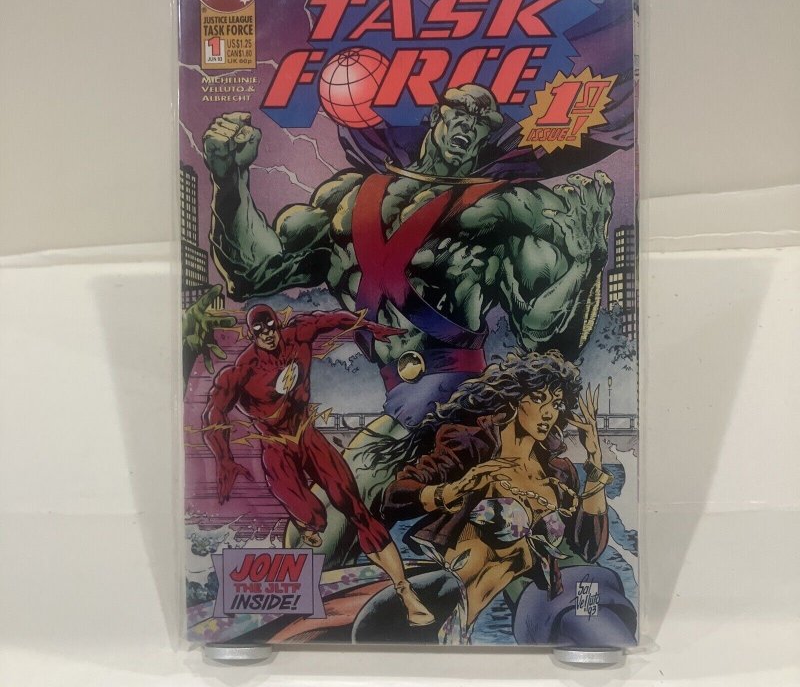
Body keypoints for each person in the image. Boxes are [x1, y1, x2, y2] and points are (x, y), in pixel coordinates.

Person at [200, 85, 613, 564]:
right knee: (311, 540)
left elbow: (548, 338)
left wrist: (585, 266)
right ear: (436, 115)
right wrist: (230, 183)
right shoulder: (347, 199)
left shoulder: (504, 210)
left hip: (461, 402)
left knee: (328, 538)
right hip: (402, 402)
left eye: (482, 122)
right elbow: (256, 273)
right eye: (460, 112)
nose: (468, 125)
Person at [351, 351, 634, 645]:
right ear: (515, 400)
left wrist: (594, 462)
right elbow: (394, 497)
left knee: (600, 627)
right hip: (446, 603)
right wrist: (456, 489)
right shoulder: (474, 446)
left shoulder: (559, 474)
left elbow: (588, 548)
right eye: (539, 399)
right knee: (597, 633)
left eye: (556, 404)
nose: (549, 413)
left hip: (532, 602)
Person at [201, 304, 434, 626]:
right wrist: (224, 459)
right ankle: (306, 525)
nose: (267, 334)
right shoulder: (243, 370)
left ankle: (406, 592)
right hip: (277, 447)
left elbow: (332, 319)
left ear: (277, 323)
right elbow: (213, 414)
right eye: (259, 331)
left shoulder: (298, 335)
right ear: (252, 334)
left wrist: (369, 327)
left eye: (270, 326)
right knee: (314, 518)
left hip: (307, 435)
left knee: (355, 508)